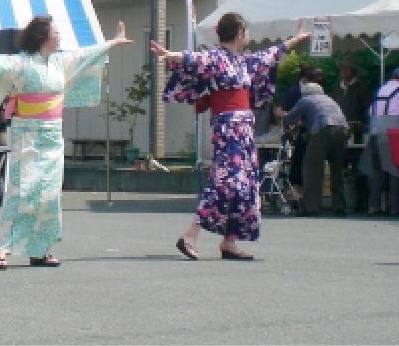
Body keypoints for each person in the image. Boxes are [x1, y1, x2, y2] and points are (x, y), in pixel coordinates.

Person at [0, 15, 133, 269]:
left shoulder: (61, 61)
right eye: (56, 32)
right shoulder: (21, 62)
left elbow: (86, 55)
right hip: (27, 135)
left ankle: (40, 249)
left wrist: (111, 43)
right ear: (43, 37)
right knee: (20, 191)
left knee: (48, 195)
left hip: (51, 137)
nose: (60, 37)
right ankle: (1, 249)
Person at [154, 14, 309, 261]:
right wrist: (171, 55)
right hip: (228, 128)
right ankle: (190, 235)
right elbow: (194, 58)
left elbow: (270, 54)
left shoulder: (243, 61)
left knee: (246, 183)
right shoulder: (216, 57)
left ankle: (229, 241)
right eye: (246, 32)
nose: (248, 36)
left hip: (244, 128)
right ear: (239, 33)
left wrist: (294, 40)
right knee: (227, 181)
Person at [282, 69, 350, 216]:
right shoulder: (329, 99)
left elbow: (288, 119)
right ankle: (339, 206)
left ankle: (311, 207)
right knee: (336, 169)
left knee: (312, 169)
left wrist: (284, 117)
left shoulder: (306, 99)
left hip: (323, 129)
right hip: (343, 129)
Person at [363, 67, 399, 216]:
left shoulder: (381, 90)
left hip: (375, 133)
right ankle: (395, 208)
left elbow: (370, 112)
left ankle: (373, 205)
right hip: (393, 134)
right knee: (395, 171)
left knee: (378, 172)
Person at [331, 58, 373, 143]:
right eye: (342, 68)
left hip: (357, 131)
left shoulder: (361, 88)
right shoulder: (336, 89)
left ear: (353, 70)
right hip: (339, 130)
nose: (343, 70)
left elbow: (368, 109)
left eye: (346, 68)